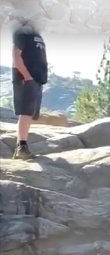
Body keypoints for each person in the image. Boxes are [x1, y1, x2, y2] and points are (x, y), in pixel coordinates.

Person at [11, 22, 48, 160]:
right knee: (26, 112)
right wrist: (27, 76)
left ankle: (21, 148)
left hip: (37, 79)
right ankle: (21, 147)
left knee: (31, 114)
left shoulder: (37, 35)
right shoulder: (22, 34)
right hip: (26, 78)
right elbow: (16, 56)